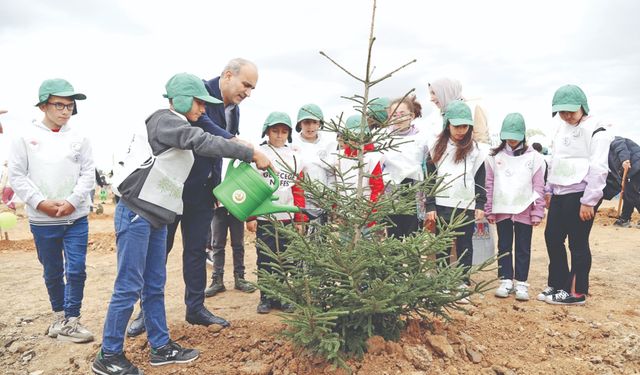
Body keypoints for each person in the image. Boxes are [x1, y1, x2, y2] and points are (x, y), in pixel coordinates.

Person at [92, 73, 271, 375]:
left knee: (153, 285)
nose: (203, 109)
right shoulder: (166, 120)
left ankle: (160, 347)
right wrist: (248, 151)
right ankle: (108, 354)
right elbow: (199, 141)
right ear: (184, 99)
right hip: (137, 213)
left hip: (159, 216)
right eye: (200, 103)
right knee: (128, 286)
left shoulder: (182, 123)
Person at [127, 58, 258, 336]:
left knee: (197, 250)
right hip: (174, 189)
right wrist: (244, 147)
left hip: (203, 193)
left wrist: (217, 188)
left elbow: (219, 152)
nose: (248, 92)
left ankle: (195, 307)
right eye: (246, 84)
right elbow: (207, 134)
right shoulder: (199, 92)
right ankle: (145, 312)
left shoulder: (234, 109)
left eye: (252, 88)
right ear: (227, 76)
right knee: (159, 252)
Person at [8, 79, 95, 343]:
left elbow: (88, 173)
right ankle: (59, 316)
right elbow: (17, 175)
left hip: (75, 215)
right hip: (43, 218)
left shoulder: (80, 138)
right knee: (52, 270)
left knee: (77, 268)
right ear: (44, 105)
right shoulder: (25, 137)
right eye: (59, 105)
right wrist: (39, 202)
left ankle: (72, 319)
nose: (65, 111)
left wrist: (72, 200)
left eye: (70, 106)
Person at [538, 84, 612, 306]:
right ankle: (558, 284)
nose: (567, 116)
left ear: (582, 106)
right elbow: (555, 160)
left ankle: (576, 292)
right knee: (552, 237)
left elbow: (599, 167)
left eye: (571, 111)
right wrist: (549, 189)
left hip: (581, 194)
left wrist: (589, 201)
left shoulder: (598, 130)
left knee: (577, 243)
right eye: (562, 112)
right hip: (560, 191)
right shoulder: (561, 129)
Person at [424, 101, 486, 304]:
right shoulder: (435, 148)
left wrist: (480, 204)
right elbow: (430, 178)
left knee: (465, 244)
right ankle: (442, 282)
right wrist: (430, 205)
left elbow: (479, 177)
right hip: (442, 203)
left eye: (464, 126)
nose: (460, 131)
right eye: (456, 126)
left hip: (465, 205)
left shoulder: (475, 149)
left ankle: (462, 282)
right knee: (441, 243)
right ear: (447, 124)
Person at [246, 112, 306, 314]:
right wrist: (251, 216)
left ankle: (282, 296)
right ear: (267, 132)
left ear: (288, 134)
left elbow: (298, 189)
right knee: (265, 257)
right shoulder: (258, 154)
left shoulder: (295, 156)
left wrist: (299, 218)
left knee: (286, 258)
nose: (279, 135)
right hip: (265, 216)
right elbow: (251, 187)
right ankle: (266, 297)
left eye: (284, 131)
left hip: (286, 215)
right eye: (275, 131)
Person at [485, 113, 545, 301]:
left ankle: (521, 282)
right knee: (504, 245)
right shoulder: (494, 157)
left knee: (523, 247)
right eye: (508, 135)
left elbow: (538, 186)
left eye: (515, 135)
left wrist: (537, 211)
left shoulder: (534, 158)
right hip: (502, 209)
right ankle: (505, 280)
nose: (511, 139)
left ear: (523, 135)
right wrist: (489, 209)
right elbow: (489, 184)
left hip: (524, 210)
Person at [384, 95, 429, 239]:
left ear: (412, 115)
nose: (398, 118)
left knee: (412, 240)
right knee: (393, 241)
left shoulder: (422, 138)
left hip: (413, 193)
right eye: (394, 115)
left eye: (402, 114)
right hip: (391, 194)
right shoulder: (382, 138)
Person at [291, 103, 337, 218]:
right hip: (300, 202)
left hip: (322, 201)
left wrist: (328, 196)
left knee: (321, 234)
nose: (310, 127)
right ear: (300, 124)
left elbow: (332, 174)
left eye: (314, 122)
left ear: (320, 124)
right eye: (306, 122)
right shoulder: (292, 145)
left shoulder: (328, 144)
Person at [607, 136, 640, 228]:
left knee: (631, 194)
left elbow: (621, 146)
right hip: (631, 169)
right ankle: (624, 219)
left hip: (635, 166)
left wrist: (625, 159)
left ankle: (624, 219)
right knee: (628, 194)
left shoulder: (612, 139)